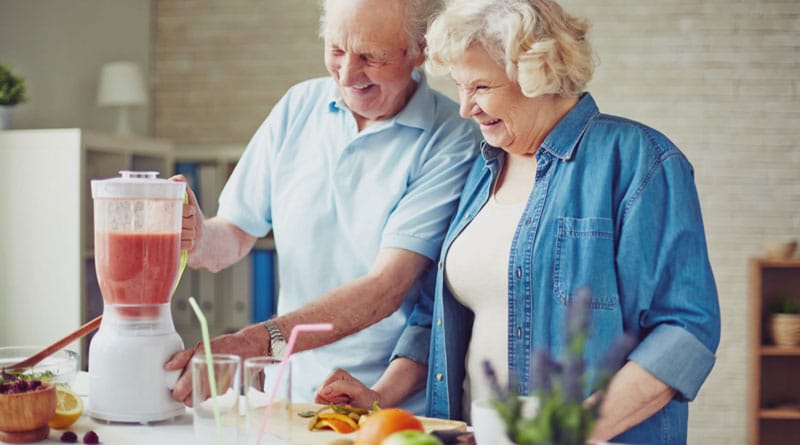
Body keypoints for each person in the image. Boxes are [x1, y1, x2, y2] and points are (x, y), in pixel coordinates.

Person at [314, 0, 721, 442]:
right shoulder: (483, 168)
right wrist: (379, 395)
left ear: (539, 74)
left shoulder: (638, 161)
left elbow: (685, 331)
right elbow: (439, 315)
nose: (466, 108)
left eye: (481, 88)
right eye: (459, 86)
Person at [164, 0, 480, 414]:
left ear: (418, 49)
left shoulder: (451, 138)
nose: (347, 75)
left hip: (389, 406)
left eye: (371, 56)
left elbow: (386, 287)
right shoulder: (298, 106)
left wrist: (251, 343)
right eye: (336, 49)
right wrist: (198, 236)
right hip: (287, 395)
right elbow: (235, 234)